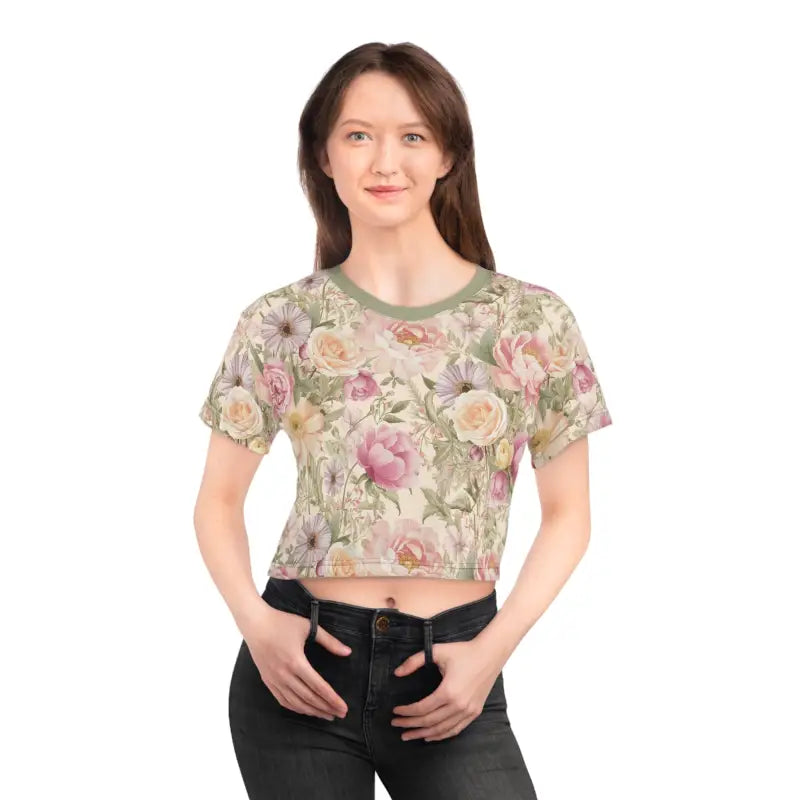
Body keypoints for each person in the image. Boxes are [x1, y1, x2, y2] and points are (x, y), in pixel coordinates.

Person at [194, 41, 613, 800]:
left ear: (448, 153)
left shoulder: (531, 320)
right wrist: (257, 625)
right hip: (300, 669)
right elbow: (217, 503)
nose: (385, 161)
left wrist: (491, 653)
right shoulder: (279, 321)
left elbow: (569, 516)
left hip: (457, 668)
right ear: (323, 156)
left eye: (412, 135)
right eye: (358, 135)